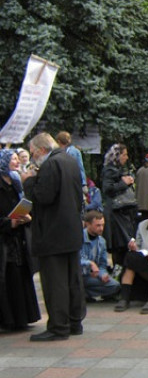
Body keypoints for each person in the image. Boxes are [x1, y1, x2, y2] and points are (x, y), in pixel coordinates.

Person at [23, 133, 85, 341]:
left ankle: (59, 326)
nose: (32, 158)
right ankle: (75, 321)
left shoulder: (51, 165)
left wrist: (29, 181)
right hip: (71, 231)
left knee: (55, 282)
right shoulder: (69, 160)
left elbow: (43, 196)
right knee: (72, 279)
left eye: (32, 153)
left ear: (41, 150)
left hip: (52, 233)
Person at [0, 149, 41, 331]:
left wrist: (26, 218)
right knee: (8, 278)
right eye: (13, 159)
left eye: (17, 159)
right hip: (5, 242)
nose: (16, 162)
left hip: (18, 240)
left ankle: (22, 318)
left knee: (20, 277)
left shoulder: (16, 184)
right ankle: (8, 320)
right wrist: (11, 223)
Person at [101, 143, 136, 272]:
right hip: (116, 214)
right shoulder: (110, 170)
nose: (126, 157)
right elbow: (108, 189)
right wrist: (124, 183)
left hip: (120, 212)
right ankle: (120, 274)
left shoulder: (115, 169)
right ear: (117, 155)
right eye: (124, 154)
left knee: (123, 245)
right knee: (120, 246)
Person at [80, 211, 120, 301]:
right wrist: (90, 263)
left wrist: (103, 274)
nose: (101, 228)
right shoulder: (79, 238)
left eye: (102, 225)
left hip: (92, 277)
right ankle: (81, 294)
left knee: (115, 285)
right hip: (78, 275)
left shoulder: (102, 242)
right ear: (88, 224)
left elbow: (102, 265)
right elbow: (75, 260)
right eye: (97, 225)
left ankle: (85, 294)